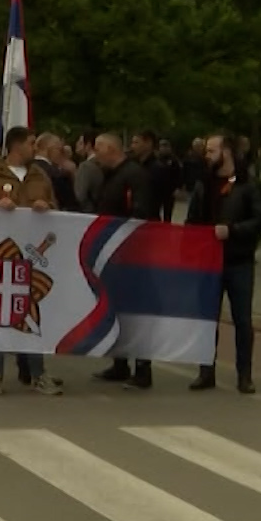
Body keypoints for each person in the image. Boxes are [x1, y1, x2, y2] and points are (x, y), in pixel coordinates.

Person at [0, 126, 61, 397]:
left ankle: (38, 373)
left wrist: (47, 207)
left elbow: (57, 208)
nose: (35, 147)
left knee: (30, 314)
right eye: (32, 143)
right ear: (17, 145)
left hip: (31, 258)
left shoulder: (39, 175)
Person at [186, 134, 261, 393]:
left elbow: (259, 220)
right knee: (207, 319)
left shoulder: (247, 185)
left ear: (227, 152)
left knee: (242, 320)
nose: (206, 155)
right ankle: (205, 370)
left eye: (211, 151)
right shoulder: (204, 184)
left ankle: (245, 375)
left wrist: (231, 230)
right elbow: (192, 221)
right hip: (208, 263)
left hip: (238, 261)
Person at [88, 133, 161, 389]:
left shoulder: (135, 176)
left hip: (134, 256)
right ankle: (119, 362)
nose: (95, 155)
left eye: (98, 149)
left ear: (111, 149)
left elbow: (141, 214)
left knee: (136, 312)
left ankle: (143, 369)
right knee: (116, 309)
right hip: (114, 255)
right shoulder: (111, 176)